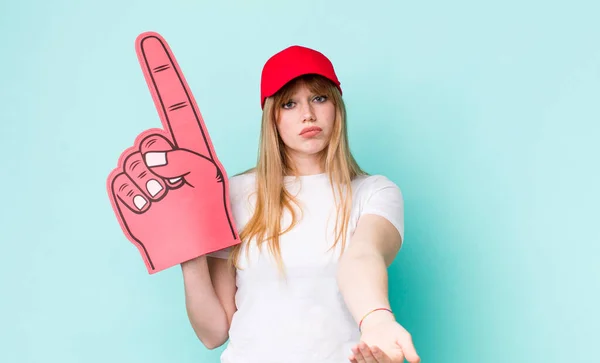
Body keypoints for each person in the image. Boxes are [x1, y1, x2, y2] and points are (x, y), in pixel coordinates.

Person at [180, 45, 420, 363]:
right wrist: (187, 251)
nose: (307, 114)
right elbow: (213, 334)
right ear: (272, 118)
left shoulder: (374, 192)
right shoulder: (235, 195)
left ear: (337, 106)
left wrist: (377, 319)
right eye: (290, 103)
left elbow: (362, 256)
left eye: (319, 98)